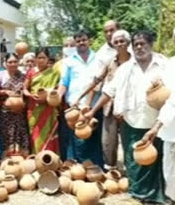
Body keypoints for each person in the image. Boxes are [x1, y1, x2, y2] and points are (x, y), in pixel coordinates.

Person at [84, 31, 167, 204]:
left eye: (143, 43)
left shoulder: (163, 65)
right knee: (134, 160)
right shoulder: (125, 69)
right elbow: (108, 91)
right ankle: (138, 193)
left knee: (157, 160)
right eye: (136, 44)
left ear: (151, 45)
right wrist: (92, 111)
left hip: (157, 123)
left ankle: (156, 194)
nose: (139, 47)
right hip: (132, 121)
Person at [74, 30, 132, 170]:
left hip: (129, 107)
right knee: (108, 141)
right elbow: (96, 82)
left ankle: (131, 172)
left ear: (128, 43)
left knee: (128, 141)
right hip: (109, 106)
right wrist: (81, 97)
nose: (119, 44)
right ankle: (111, 172)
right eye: (116, 42)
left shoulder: (135, 61)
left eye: (121, 41)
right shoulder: (110, 62)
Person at [58, 30, 103, 166]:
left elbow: (99, 82)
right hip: (75, 108)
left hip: (94, 107)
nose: (81, 43)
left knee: (94, 141)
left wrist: (90, 105)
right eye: (78, 41)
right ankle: (78, 173)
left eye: (83, 40)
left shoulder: (99, 59)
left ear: (90, 41)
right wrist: (58, 95)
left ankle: (95, 171)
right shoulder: (69, 62)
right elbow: (64, 83)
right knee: (77, 141)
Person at [141, 62, 175, 203]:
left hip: (167, 122)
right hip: (170, 129)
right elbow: (168, 99)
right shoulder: (170, 64)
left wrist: (156, 127)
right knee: (170, 174)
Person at [23, 47, 60, 153]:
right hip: (34, 108)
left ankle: (50, 159)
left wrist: (48, 94)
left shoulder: (53, 73)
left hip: (49, 108)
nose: (41, 60)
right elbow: (25, 89)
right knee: (35, 133)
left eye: (43, 58)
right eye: (39, 58)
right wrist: (30, 96)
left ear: (48, 59)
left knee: (49, 133)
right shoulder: (31, 72)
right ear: (35, 59)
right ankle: (37, 158)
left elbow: (57, 89)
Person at [0, 53, 30, 157]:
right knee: (7, 133)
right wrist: (5, 92)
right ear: (5, 63)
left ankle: (21, 156)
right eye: (10, 62)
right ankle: (7, 157)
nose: (13, 64)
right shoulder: (0, 75)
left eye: (15, 62)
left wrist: (23, 103)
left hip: (20, 111)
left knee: (20, 133)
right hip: (5, 111)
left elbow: (26, 90)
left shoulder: (23, 76)